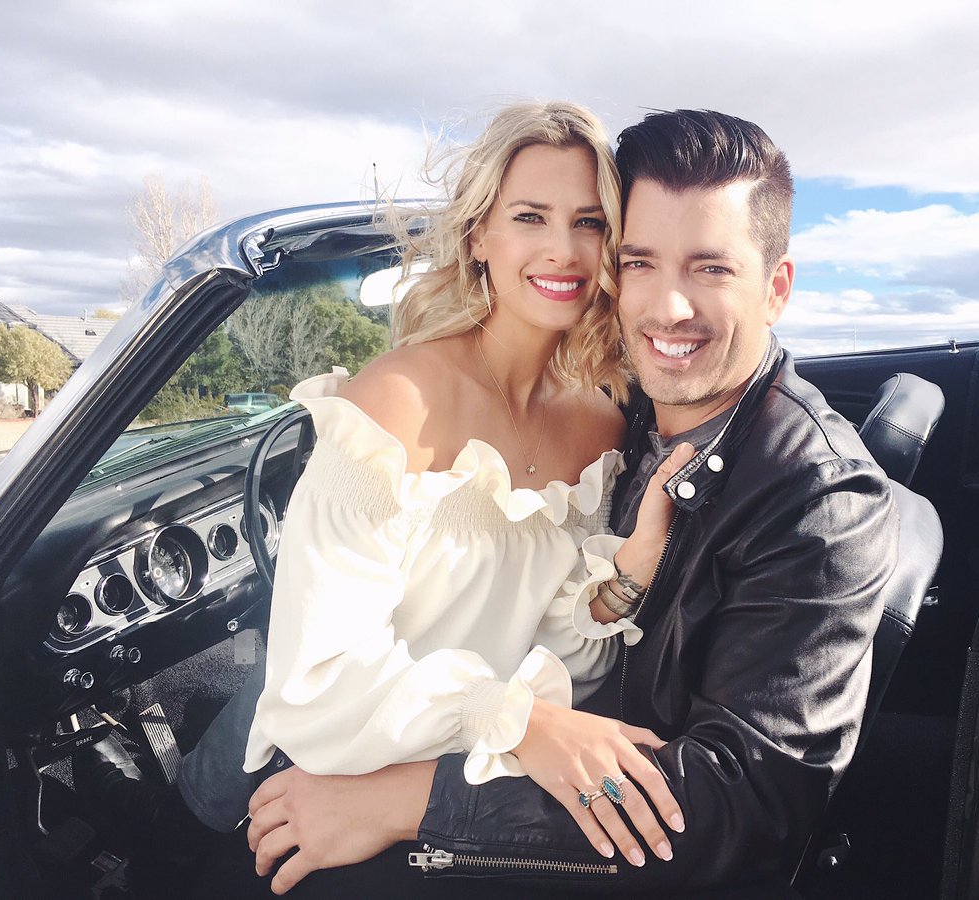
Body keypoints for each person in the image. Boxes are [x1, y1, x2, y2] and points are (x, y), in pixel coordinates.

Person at [243, 109, 899, 897]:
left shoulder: (755, 475)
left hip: (489, 821)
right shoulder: (432, 407)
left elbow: (733, 801)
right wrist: (531, 709)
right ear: (478, 235)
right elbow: (319, 680)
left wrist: (411, 801)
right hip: (385, 764)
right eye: (642, 261)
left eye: (711, 269)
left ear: (776, 288)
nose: (669, 308)